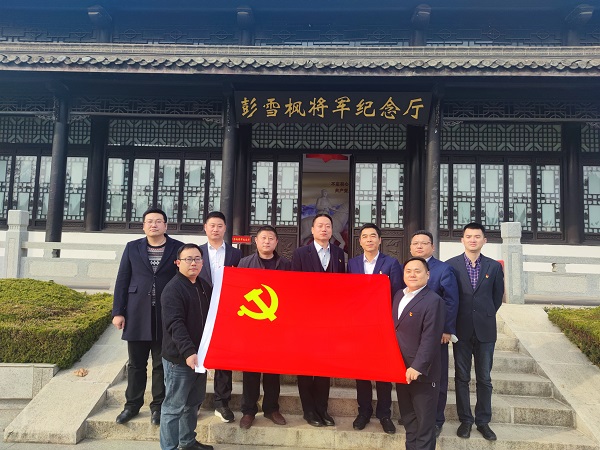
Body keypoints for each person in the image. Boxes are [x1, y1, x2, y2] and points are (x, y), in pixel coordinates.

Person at [112, 208, 183, 426]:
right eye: (150, 221)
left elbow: (182, 280)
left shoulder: (178, 248)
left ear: (165, 225)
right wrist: (118, 312)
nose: (154, 225)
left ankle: (158, 407)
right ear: (144, 226)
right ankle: (132, 406)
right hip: (137, 313)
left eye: (158, 221)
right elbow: (122, 279)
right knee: (136, 364)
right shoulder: (132, 247)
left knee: (161, 364)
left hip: (165, 314)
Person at [446, 223, 504, 441]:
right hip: (461, 329)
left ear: (484, 240)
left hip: (485, 330)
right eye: (468, 236)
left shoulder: (493, 267)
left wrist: (484, 315)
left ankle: (483, 421)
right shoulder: (451, 265)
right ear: (462, 240)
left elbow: (497, 298)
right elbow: (449, 297)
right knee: (462, 377)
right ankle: (465, 420)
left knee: (484, 378)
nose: (472, 240)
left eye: (477, 236)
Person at [347, 223, 404, 435]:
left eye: (373, 236)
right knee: (361, 371)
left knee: (383, 372)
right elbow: (348, 293)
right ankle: (363, 412)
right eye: (365, 236)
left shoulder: (391, 263)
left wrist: (393, 323)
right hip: (360, 326)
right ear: (360, 241)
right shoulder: (352, 264)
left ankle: (384, 414)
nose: (369, 239)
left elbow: (397, 294)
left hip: (382, 325)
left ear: (380, 240)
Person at [291, 213, 346, 427]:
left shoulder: (339, 254)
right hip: (305, 320)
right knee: (305, 366)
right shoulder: (300, 253)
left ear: (332, 230)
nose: (324, 229)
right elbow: (294, 285)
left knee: (325, 366)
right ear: (312, 230)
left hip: (329, 322)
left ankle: (322, 409)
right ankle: (309, 410)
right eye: (320, 226)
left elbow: (342, 286)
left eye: (328, 226)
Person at [159, 244, 213, 450]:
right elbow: (175, 324)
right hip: (180, 359)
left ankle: (187, 442)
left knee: (192, 404)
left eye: (197, 259)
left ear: (202, 263)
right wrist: (189, 352)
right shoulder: (173, 289)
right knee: (173, 407)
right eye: (188, 259)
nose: (193, 263)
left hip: (200, 358)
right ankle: (169, 447)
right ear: (178, 262)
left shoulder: (203, 285)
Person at [237, 225, 291, 430]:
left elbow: (291, 293)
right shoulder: (244, 263)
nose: (267, 241)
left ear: (276, 242)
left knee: (272, 370)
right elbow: (239, 293)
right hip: (252, 325)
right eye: (263, 238)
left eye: (270, 238)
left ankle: (271, 408)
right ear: (256, 241)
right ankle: (248, 410)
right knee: (250, 370)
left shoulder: (285, 264)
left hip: (276, 326)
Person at [409, 230, 459, 438]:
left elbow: (451, 301)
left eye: (424, 243)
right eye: (415, 243)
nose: (419, 246)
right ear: (410, 247)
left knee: (437, 378)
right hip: (412, 335)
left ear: (433, 246)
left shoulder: (443, 269)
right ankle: (415, 416)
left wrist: (446, 329)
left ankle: (437, 419)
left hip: (436, 334)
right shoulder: (408, 268)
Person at [393, 257, 445, 450]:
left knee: (424, 426)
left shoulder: (434, 301)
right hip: (401, 370)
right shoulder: (399, 295)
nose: (412, 275)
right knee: (409, 422)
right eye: (408, 271)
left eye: (417, 271)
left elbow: (431, 338)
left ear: (427, 275)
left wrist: (418, 366)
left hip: (422, 373)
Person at [198, 211, 242, 423]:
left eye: (219, 226)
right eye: (212, 225)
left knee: (224, 357)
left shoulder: (236, 254)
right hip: (199, 309)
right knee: (198, 355)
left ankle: (222, 402)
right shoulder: (195, 252)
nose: (215, 229)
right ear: (205, 228)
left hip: (226, 311)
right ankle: (194, 401)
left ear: (225, 228)